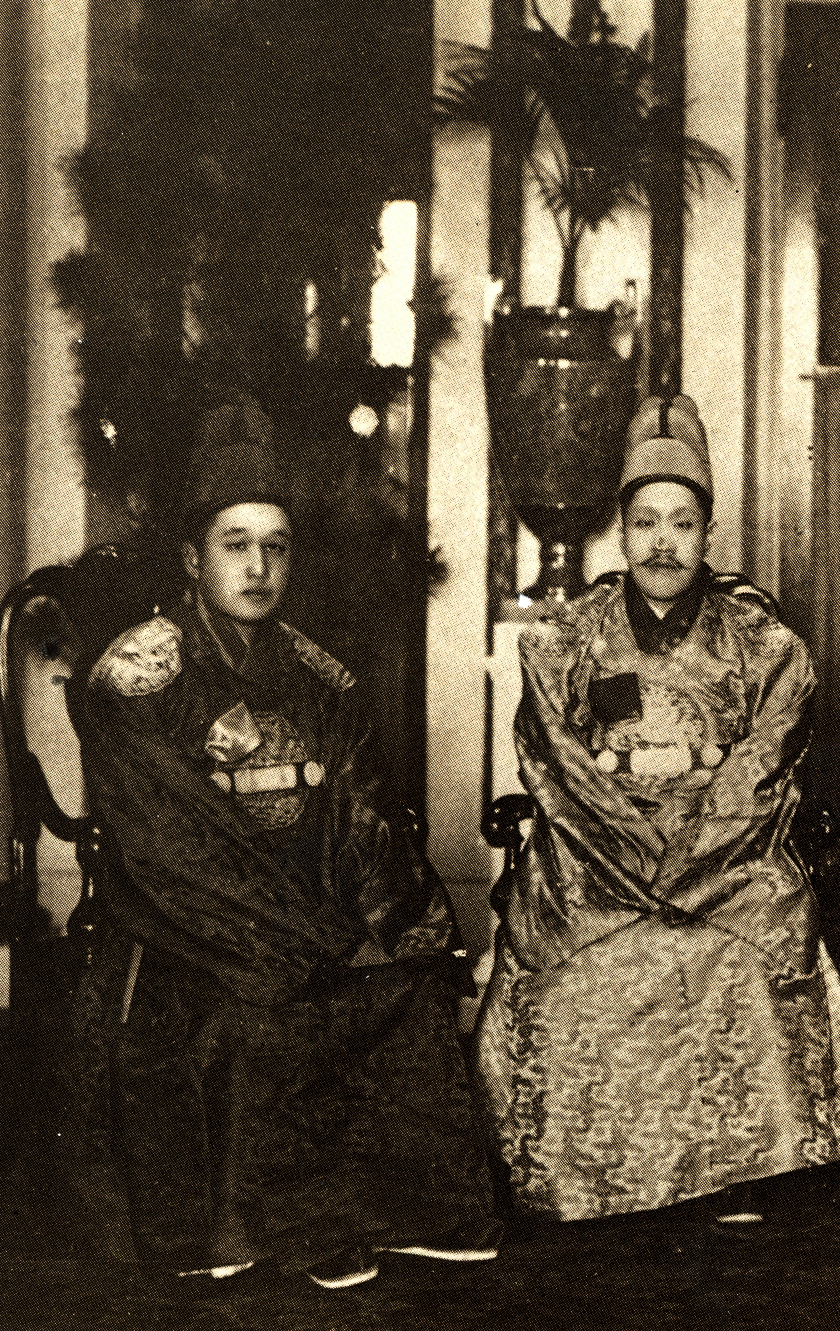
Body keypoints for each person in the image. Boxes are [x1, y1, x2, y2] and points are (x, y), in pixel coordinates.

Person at [61, 399, 499, 1289]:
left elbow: (364, 819)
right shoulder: (139, 677)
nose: (258, 567)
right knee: (267, 1008)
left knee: (403, 988)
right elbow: (171, 852)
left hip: (306, 923)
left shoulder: (319, 677)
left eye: (276, 546)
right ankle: (278, 1228)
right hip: (186, 933)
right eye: (235, 544)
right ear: (192, 557)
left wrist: (407, 928)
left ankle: (403, 1214)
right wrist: (309, 939)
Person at [474, 395, 840, 1223]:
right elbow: (560, 768)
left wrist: (685, 864)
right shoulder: (563, 641)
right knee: (576, 971)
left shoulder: (764, 645)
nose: (663, 542)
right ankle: (585, 1176)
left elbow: (758, 773)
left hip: (726, 864)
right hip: (593, 864)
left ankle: (737, 1171)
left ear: (708, 533)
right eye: (646, 522)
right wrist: (639, 863)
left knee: (743, 957)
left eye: (682, 524)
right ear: (621, 533)